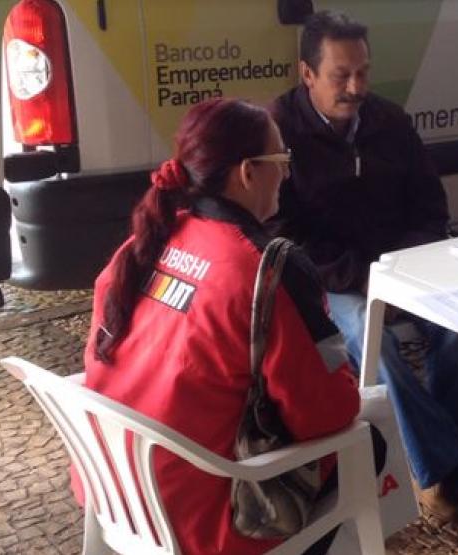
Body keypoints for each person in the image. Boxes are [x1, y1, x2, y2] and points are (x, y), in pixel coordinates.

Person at [76, 98, 366, 555]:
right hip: (203, 521)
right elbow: (329, 413)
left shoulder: (143, 244)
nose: (286, 173)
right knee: (372, 442)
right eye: (282, 159)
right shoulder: (267, 270)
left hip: (114, 492)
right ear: (248, 172)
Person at [267, 10, 458, 529]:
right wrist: (364, 279)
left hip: (402, 266)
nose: (356, 88)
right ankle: (454, 472)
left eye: (363, 72)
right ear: (306, 74)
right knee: (374, 342)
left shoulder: (389, 121)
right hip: (333, 280)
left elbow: (431, 209)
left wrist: (402, 270)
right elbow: (285, 235)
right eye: (341, 76)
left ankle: (437, 471)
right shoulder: (278, 132)